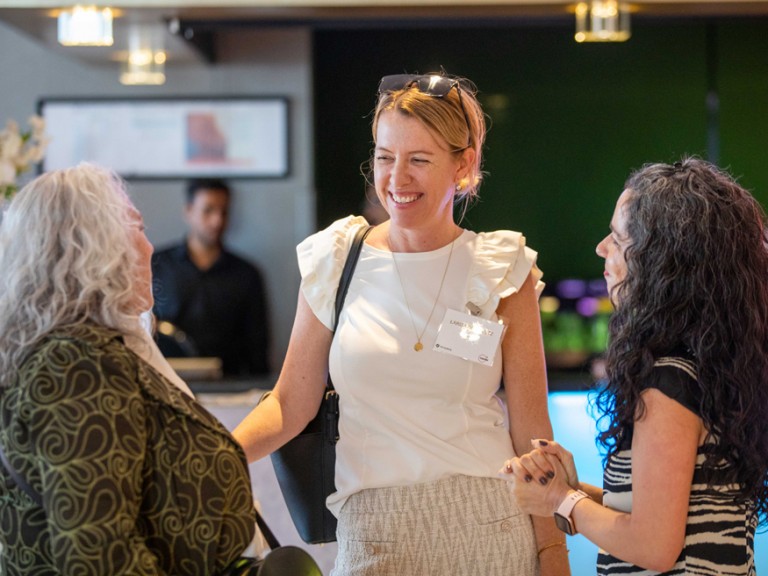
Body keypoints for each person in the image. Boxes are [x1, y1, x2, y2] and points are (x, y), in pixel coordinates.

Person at [234, 72, 569, 575]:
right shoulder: (336, 259)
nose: (395, 179)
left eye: (419, 160)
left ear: (464, 165)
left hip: (492, 528)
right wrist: (217, 458)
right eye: (385, 157)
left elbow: (532, 433)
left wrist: (552, 553)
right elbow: (289, 404)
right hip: (374, 533)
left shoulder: (501, 269)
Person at [503, 158, 768, 575]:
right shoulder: (710, 368)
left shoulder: (669, 383)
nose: (602, 248)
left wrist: (559, 501)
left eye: (617, 237)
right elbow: (667, 511)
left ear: (663, 262)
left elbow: (653, 545)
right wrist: (573, 491)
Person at [0, 164, 258, 574]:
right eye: (137, 229)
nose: (150, 248)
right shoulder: (77, 364)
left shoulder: (88, 347)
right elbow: (99, 556)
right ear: (91, 249)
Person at [152, 178, 271, 377]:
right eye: (208, 210)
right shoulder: (158, 265)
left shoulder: (246, 274)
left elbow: (257, 347)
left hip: (229, 388)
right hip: (167, 382)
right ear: (188, 211)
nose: (217, 221)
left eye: (223, 212)